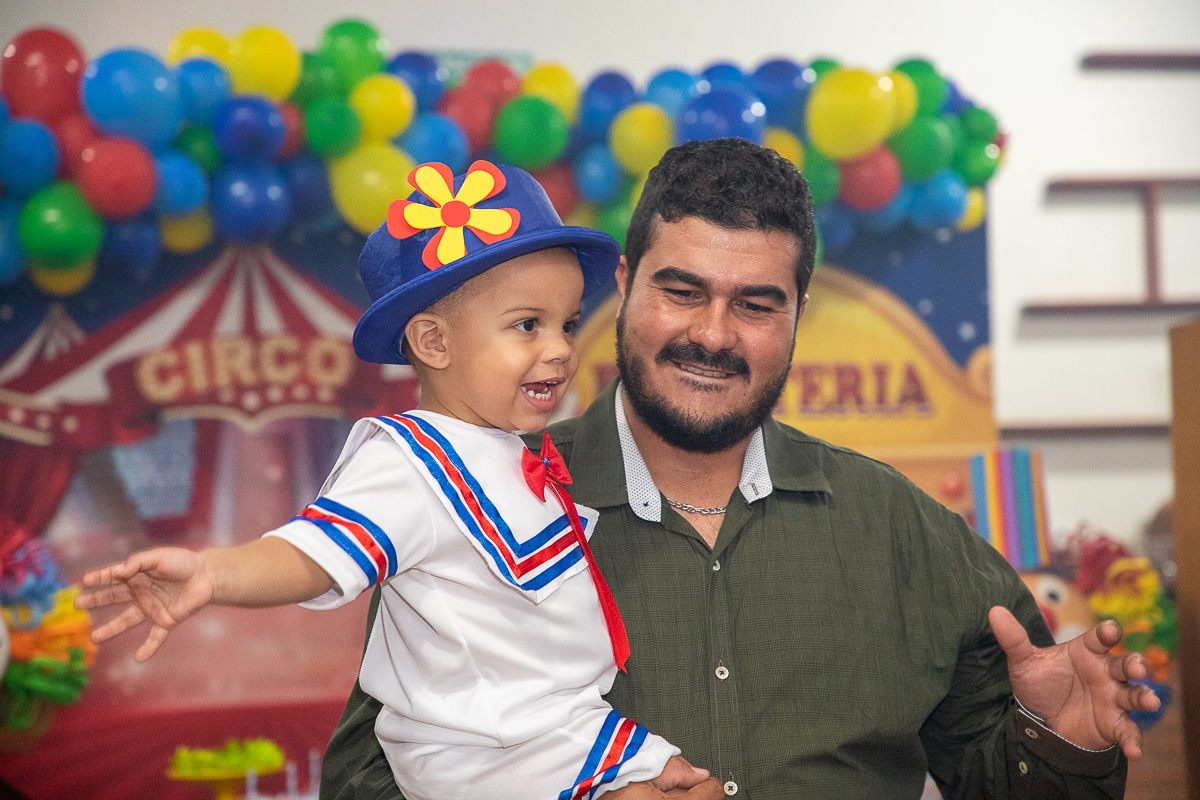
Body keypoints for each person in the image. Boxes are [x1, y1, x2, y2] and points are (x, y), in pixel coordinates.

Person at [320, 138, 1160, 800]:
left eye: (756, 304)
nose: (714, 334)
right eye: (682, 292)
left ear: (799, 313)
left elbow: (1003, 778)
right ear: (625, 285)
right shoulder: (470, 501)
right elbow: (369, 782)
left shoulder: (901, 529)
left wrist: (1061, 740)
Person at [74, 161, 719, 800]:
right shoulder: (409, 462)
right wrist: (213, 573)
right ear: (433, 342)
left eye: (568, 324)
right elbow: (312, 554)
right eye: (528, 325)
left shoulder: (512, 451)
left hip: (562, 728)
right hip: (483, 752)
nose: (559, 348)